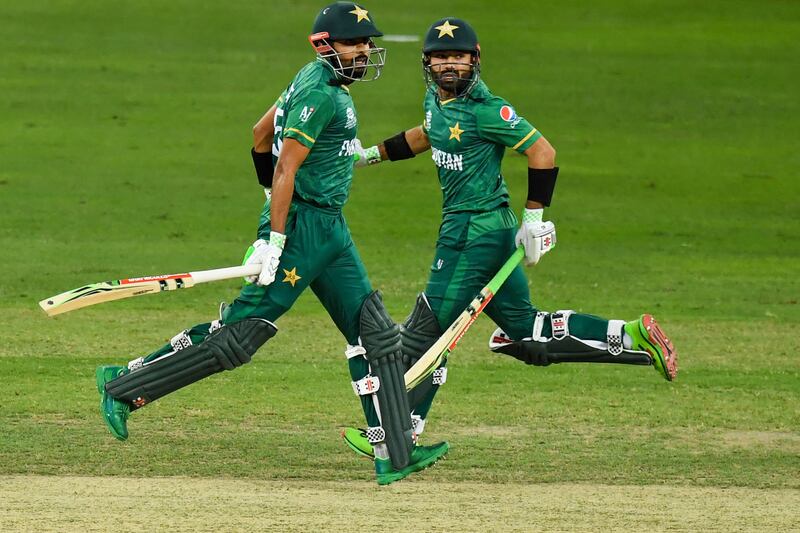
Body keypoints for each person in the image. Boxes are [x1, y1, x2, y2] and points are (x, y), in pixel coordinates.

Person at [94, 2, 448, 486]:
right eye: (354, 43)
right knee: (240, 336)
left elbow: (261, 136)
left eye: (367, 42)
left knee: (376, 334)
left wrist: (271, 201)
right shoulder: (321, 95)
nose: (365, 51)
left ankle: (394, 452)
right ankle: (123, 386)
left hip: (330, 231)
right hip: (302, 232)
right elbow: (284, 166)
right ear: (325, 45)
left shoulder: (316, 82)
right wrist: (275, 237)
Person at [342, 17, 678, 458]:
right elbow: (426, 134)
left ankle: (397, 437)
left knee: (426, 332)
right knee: (528, 330)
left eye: (458, 58)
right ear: (427, 63)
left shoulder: (488, 110)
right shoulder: (434, 100)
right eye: (442, 57)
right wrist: (372, 155)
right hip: (485, 236)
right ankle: (632, 334)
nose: (449, 65)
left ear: (474, 61)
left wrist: (535, 217)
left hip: (471, 235)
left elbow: (543, 152)